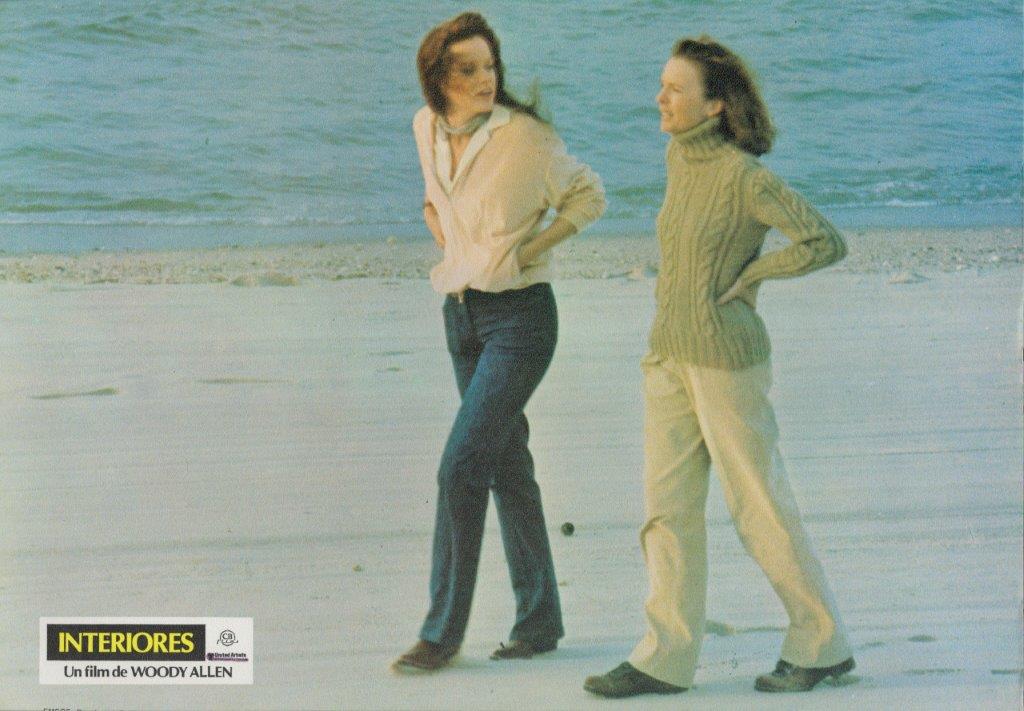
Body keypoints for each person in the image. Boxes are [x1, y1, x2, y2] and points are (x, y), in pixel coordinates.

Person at [584, 36, 855, 697]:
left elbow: (824, 240)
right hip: (667, 354)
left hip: (726, 364)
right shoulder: (679, 156)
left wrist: (755, 274)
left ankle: (821, 642)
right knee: (666, 511)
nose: (660, 98)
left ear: (715, 106)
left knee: (758, 506)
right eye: (662, 84)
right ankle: (664, 657)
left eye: (675, 88)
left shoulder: (745, 177)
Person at [392, 12, 606, 673]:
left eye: (490, 66)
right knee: (507, 464)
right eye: (469, 69)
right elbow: (435, 199)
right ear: (438, 77)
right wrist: (444, 234)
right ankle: (539, 622)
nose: (485, 79)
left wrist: (528, 251)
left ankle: (440, 634)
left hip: (521, 319)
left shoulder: (526, 137)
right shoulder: (425, 127)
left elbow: (589, 195)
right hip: (460, 314)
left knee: (461, 465)